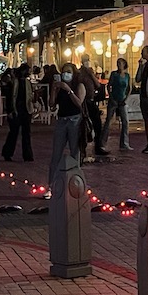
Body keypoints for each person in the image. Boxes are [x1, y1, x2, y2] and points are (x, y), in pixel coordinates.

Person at [49, 62, 87, 194]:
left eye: (69, 71)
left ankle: (76, 184)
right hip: (61, 120)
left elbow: (79, 103)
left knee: (74, 153)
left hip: (75, 120)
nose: (66, 74)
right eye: (64, 71)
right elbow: (52, 105)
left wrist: (68, 90)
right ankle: (51, 185)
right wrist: (54, 90)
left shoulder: (79, 86)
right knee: (56, 154)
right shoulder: (60, 87)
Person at [1, 63, 34, 162]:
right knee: (14, 133)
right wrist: (10, 111)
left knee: (26, 133)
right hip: (16, 110)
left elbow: (29, 97)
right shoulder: (14, 83)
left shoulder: (27, 83)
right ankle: (8, 153)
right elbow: (10, 97)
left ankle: (27, 155)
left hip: (25, 110)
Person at [78, 54, 107, 160]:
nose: (87, 62)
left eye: (88, 60)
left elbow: (98, 85)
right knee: (84, 126)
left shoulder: (90, 72)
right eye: (85, 60)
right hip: (84, 102)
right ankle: (82, 150)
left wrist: (91, 74)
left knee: (97, 124)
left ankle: (98, 146)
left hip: (91, 100)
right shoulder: (80, 73)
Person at [102, 57, 132, 151]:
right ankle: (103, 142)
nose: (118, 65)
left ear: (124, 64)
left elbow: (129, 88)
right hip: (114, 100)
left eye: (120, 63)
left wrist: (126, 98)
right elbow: (109, 86)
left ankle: (124, 143)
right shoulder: (114, 74)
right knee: (108, 121)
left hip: (122, 100)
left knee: (125, 121)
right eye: (117, 63)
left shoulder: (127, 76)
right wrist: (111, 97)